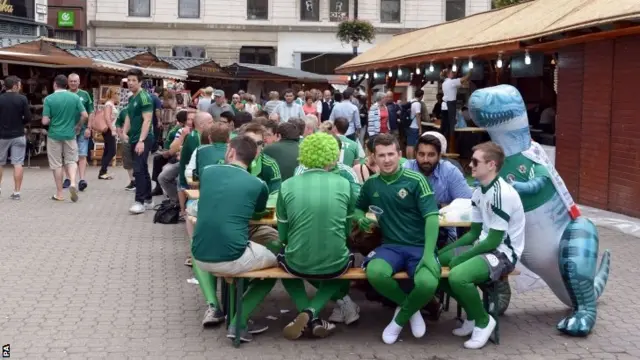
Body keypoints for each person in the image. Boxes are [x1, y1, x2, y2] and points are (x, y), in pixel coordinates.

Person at [354, 133, 441, 345]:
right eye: (381, 155)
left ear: (399, 154)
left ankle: (399, 319)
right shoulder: (371, 184)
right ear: (373, 157)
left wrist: (429, 254)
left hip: (420, 246)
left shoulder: (416, 180)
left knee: (427, 284)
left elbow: (432, 218)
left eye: (391, 154)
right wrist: (361, 219)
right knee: (375, 273)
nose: (387, 159)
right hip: (390, 246)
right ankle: (410, 309)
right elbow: (357, 209)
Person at [437, 142, 525, 349]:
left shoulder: (502, 193)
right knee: (435, 265)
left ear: (492, 165)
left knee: (458, 275)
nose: (470, 165)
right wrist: (442, 252)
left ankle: (484, 321)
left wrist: (461, 258)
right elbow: (473, 235)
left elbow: (494, 241)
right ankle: (474, 315)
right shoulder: (478, 193)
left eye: (476, 161)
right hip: (484, 246)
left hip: (503, 253)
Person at [191, 135, 277, 343]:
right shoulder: (258, 183)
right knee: (277, 270)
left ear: (230, 152)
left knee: (223, 246)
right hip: (233, 255)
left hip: (199, 255)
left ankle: (216, 307)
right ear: (253, 158)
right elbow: (257, 213)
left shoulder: (208, 172)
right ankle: (239, 321)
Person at [276, 132, 355, 340]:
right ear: (333, 156)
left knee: (282, 266)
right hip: (336, 260)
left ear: (305, 155)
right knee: (343, 269)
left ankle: (307, 313)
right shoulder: (344, 184)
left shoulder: (287, 185)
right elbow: (347, 231)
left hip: (297, 261)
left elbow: (283, 235)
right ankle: (312, 314)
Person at [42, 74, 88, 202]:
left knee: (57, 164)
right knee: (71, 160)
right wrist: (78, 126)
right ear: (66, 84)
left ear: (55, 85)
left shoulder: (49, 99)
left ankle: (60, 193)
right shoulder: (74, 97)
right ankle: (73, 182)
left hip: (54, 135)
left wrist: (50, 119)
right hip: (70, 134)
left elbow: (45, 121)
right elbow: (84, 115)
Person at [122, 68, 154, 214]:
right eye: (128, 80)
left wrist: (141, 140)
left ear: (140, 82)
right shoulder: (131, 98)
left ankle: (139, 201)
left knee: (139, 169)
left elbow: (147, 120)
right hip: (134, 137)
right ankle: (148, 199)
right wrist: (124, 131)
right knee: (142, 168)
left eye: (134, 80)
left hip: (144, 138)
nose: (130, 83)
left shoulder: (145, 97)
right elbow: (128, 116)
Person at [0, 75, 30, 199]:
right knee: (18, 163)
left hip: (2, 135)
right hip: (18, 135)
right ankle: (17, 192)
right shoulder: (22, 99)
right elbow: (28, 118)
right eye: (19, 84)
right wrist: (20, 123)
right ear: (14, 86)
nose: (20, 86)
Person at [62, 73, 94, 192]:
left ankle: (82, 180)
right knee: (68, 155)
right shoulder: (64, 95)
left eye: (75, 81)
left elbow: (90, 112)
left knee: (82, 154)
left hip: (82, 130)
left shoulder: (85, 95)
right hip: (67, 129)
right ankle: (68, 178)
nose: (73, 83)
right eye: (71, 81)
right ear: (68, 82)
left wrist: (88, 128)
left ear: (79, 82)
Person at [441, 68, 471, 139]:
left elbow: (462, 83)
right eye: (452, 72)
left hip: (445, 106)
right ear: (448, 74)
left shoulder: (444, 83)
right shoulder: (451, 82)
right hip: (450, 105)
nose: (453, 73)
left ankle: (445, 140)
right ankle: (450, 142)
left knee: (445, 125)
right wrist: (470, 72)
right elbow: (463, 79)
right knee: (451, 125)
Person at [98, 88, 119, 180]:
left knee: (107, 150)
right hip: (108, 130)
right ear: (112, 94)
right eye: (116, 92)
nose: (118, 94)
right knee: (112, 151)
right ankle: (103, 171)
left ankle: (103, 171)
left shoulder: (111, 104)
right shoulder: (109, 104)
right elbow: (107, 117)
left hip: (109, 129)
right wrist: (112, 129)